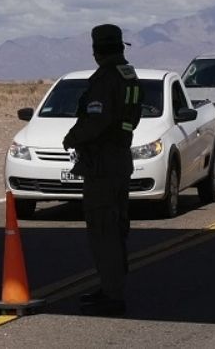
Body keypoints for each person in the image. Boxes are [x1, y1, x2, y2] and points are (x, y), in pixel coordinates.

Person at [62, 24, 142, 316]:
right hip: (119, 159)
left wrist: (72, 138)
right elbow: (130, 118)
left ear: (97, 50)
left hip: (102, 164)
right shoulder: (128, 76)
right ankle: (110, 286)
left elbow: (96, 120)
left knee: (103, 230)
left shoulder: (106, 79)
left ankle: (112, 293)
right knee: (116, 227)